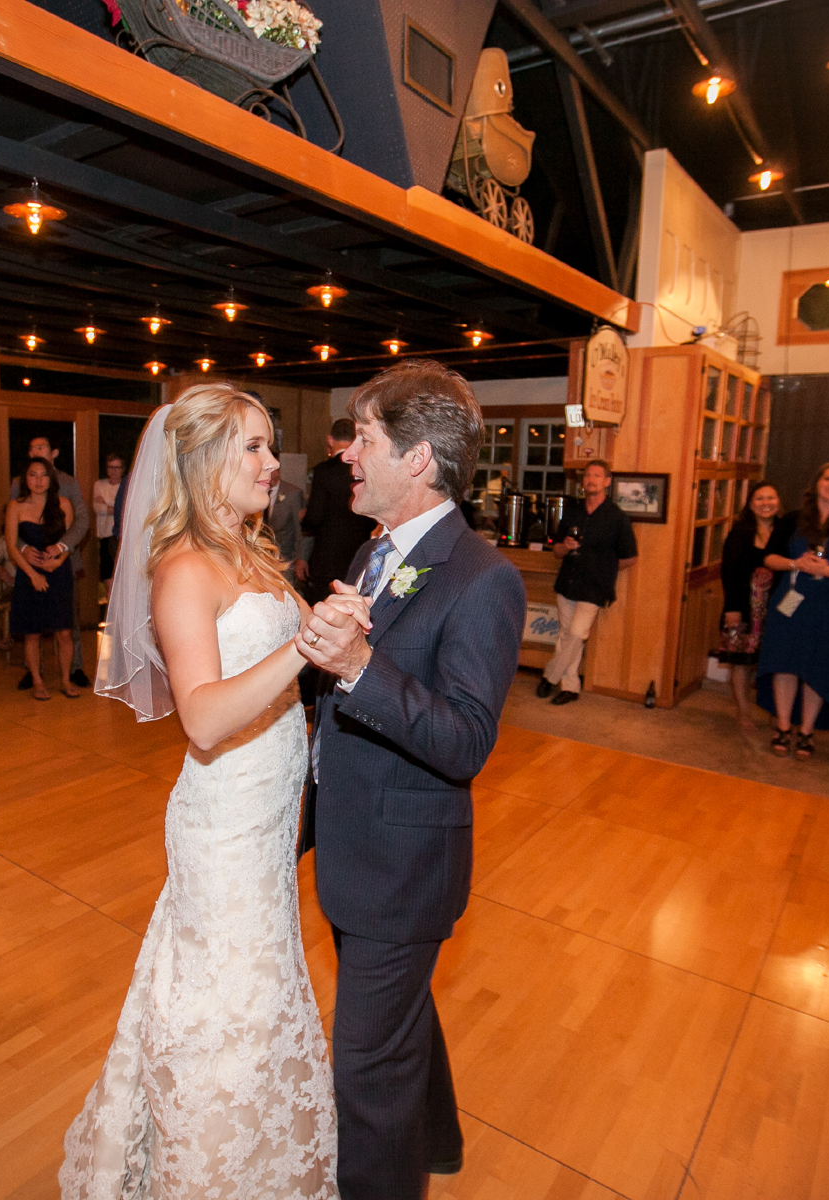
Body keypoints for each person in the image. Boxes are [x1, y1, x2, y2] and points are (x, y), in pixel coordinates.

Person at [61, 384, 334, 1196]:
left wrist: (330, 625)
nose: (271, 464)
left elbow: (278, 662)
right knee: (230, 1004)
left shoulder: (253, 551)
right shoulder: (183, 566)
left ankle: (260, 1160)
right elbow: (206, 719)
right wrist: (305, 648)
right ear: (201, 460)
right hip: (224, 819)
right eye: (251, 446)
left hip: (268, 813)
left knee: (257, 990)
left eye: (269, 445)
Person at [296, 361, 525, 1197]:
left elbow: (465, 739)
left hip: (401, 867)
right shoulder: (370, 549)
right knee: (399, 1025)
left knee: (365, 1073)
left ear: (418, 459)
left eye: (364, 438)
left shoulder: (484, 580)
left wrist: (356, 665)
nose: (348, 453)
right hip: (357, 845)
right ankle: (442, 1139)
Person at [757, 462, 829, 758]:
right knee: (784, 664)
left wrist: (828, 570)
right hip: (790, 604)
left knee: (818, 668)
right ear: (816, 482)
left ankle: (807, 731)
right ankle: (784, 727)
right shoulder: (793, 520)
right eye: (828, 478)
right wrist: (797, 564)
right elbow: (769, 558)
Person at [538, 459, 637, 705]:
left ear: (606, 481)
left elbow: (630, 558)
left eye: (596, 476)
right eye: (587, 475)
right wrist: (564, 547)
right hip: (568, 583)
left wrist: (604, 567)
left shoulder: (617, 517)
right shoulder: (572, 512)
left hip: (595, 586)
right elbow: (556, 550)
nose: (590, 480)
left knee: (577, 634)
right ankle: (570, 687)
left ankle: (550, 676)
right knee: (565, 635)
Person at [13, 436, 92, 690]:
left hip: (61, 561)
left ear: (53, 452)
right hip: (30, 563)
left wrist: (61, 550)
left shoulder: (68, 483)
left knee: (67, 624)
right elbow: (9, 528)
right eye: (32, 447)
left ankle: (73, 671)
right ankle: (34, 674)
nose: (36, 450)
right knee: (32, 628)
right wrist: (23, 549)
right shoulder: (17, 484)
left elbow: (81, 521)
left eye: (41, 447)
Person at [717, 481, 789, 729]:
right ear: (750, 504)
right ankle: (743, 711)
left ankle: (776, 710)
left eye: (770, 498)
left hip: (779, 607)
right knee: (741, 661)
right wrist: (732, 608)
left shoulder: (787, 531)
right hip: (744, 606)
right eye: (759, 499)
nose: (765, 503)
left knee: (775, 662)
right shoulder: (739, 532)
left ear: (779, 501)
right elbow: (729, 572)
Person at [5, 458, 78, 700]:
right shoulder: (15, 506)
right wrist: (33, 574)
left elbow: (68, 541)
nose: (38, 481)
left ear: (51, 479)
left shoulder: (64, 504)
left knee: (64, 631)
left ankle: (66, 680)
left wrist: (59, 560)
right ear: (25, 479)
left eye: (43, 475)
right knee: (32, 633)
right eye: (32, 475)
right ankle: (37, 680)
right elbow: (12, 547)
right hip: (28, 575)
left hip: (58, 573)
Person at [299, 417, 377, 604]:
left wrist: (304, 519)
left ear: (330, 440)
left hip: (327, 558)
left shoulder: (324, 471)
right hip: (359, 553)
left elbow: (315, 518)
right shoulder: (366, 469)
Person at [265, 470, 310, 592]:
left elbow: (301, 530)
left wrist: (301, 558)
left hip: (286, 558)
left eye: (273, 471)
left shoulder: (293, 493)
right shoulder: (258, 490)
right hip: (263, 559)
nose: (270, 475)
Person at [92, 453, 124, 582]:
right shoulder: (100, 485)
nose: (114, 471)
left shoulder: (126, 485)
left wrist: (106, 504)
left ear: (122, 469)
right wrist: (115, 506)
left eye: (117, 467)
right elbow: (97, 508)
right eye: (111, 467)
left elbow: (124, 510)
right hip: (105, 535)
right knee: (107, 576)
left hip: (121, 536)